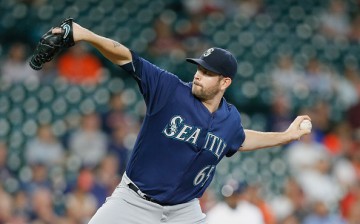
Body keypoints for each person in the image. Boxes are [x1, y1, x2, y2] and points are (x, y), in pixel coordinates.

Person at [47, 19, 311, 224]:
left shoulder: (230, 119)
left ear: (225, 82)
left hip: (183, 211)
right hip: (135, 201)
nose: (198, 75)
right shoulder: (169, 89)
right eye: (199, 69)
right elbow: (127, 57)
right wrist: (84, 34)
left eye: (208, 73)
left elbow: (240, 139)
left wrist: (286, 136)